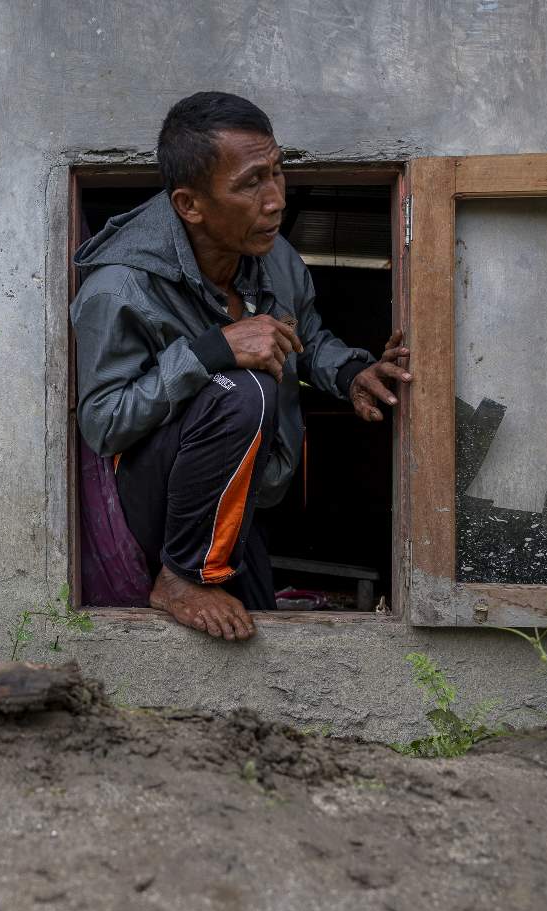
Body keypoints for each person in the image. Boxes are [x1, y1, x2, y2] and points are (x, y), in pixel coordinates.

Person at [72, 91, 412, 641]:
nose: (275, 199)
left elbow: (306, 336)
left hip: (239, 502)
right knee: (243, 388)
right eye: (251, 182)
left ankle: (200, 568)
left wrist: (352, 373)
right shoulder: (121, 287)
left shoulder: (274, 257)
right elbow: (103, 424)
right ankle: (181, 576)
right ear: (189, 205)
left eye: (277, 173)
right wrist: (211, 352)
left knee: (258, 634)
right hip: (150, 506)